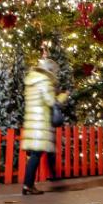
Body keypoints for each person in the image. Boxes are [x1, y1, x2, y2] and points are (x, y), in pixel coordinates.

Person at [21, 58, 68, 195]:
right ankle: (28, 184)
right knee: (37, 154)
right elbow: (50, 101)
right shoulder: (44, 81)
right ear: (50, 71)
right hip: (41, 121)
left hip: (32, 119)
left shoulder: (32, 81)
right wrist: (64, 96)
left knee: (46, 151)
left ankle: (54, 177)